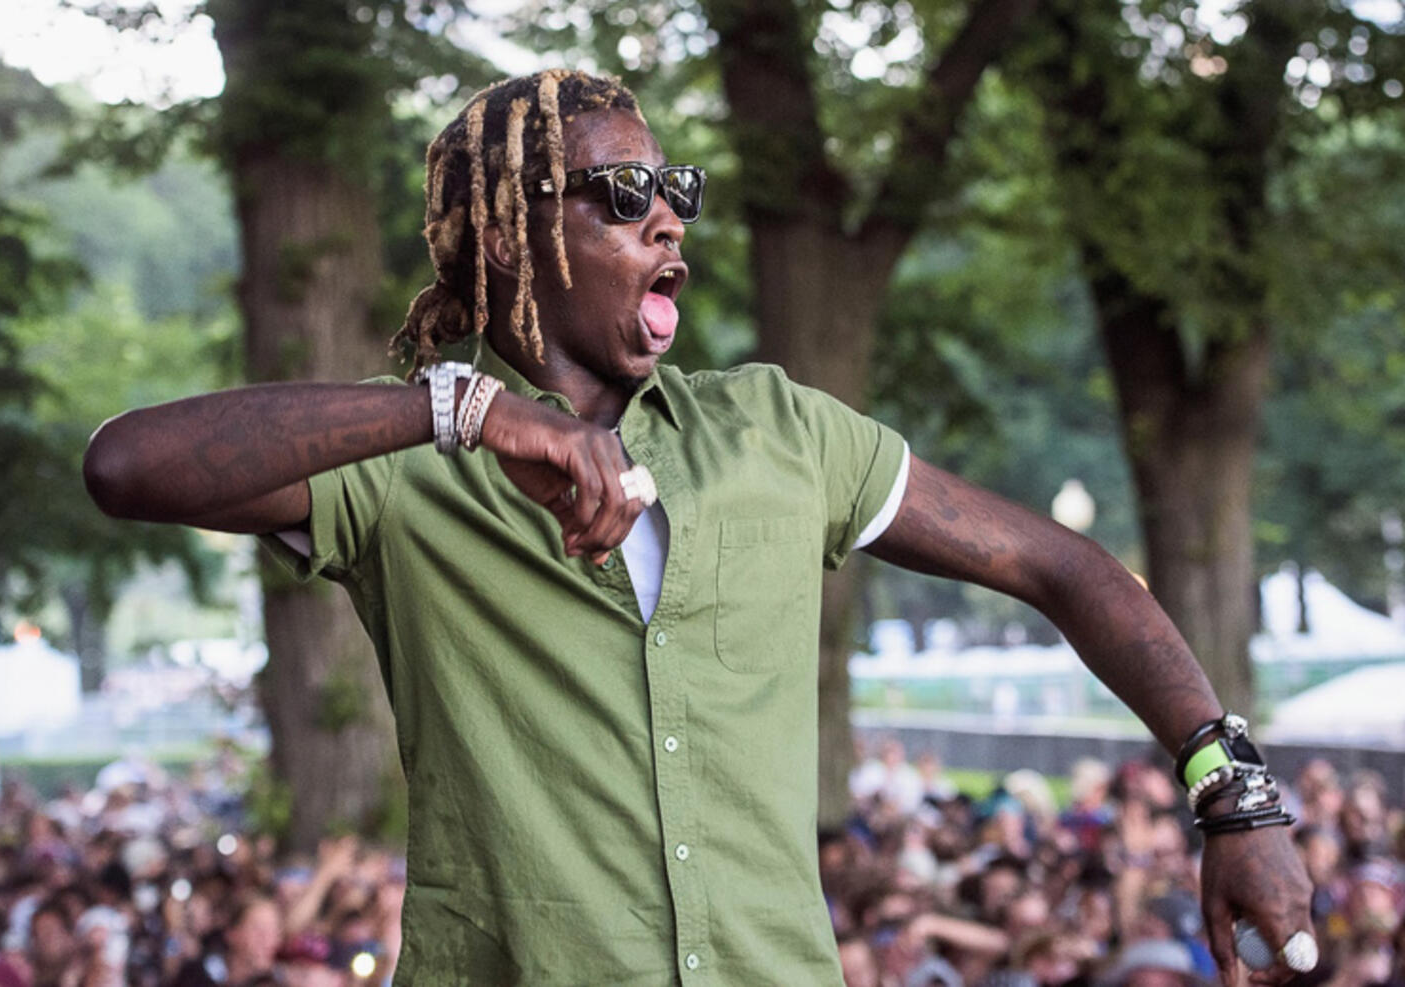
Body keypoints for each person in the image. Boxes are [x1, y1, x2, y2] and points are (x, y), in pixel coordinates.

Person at [83, 69, 1315, 985]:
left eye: (677, 189)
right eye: (626, 194)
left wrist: (1234, 793)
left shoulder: (781, 432)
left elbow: (1063, 564)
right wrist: (463, 412)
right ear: (515, 234)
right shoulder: (399, 465)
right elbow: (129, 464)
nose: (671, 219)